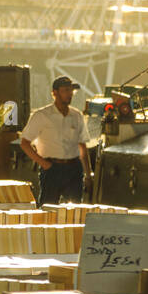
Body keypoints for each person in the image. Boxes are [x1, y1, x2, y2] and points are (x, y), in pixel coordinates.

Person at [20, 75, 93, 204]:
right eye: (65, 90)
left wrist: (88, 173)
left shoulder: (76, 116)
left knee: (75, 209)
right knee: (48, 208)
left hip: (74, 168)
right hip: (52, 168)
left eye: (71, 91)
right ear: (55, 93)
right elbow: (25, 143)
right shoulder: (42, 115)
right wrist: (44, 163)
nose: (69, 94)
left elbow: (82, 145)